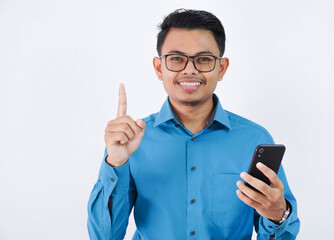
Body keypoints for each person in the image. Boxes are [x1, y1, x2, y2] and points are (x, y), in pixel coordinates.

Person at [87, 9, 300, 240]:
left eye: (204, 59)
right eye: (177, 58)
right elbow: (104, 237)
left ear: (222, 68)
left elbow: (281, 232)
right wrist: (116, 162)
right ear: (159, 68)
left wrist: (278, 214)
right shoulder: (132, 141)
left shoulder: (254, 140)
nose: (190, 69)